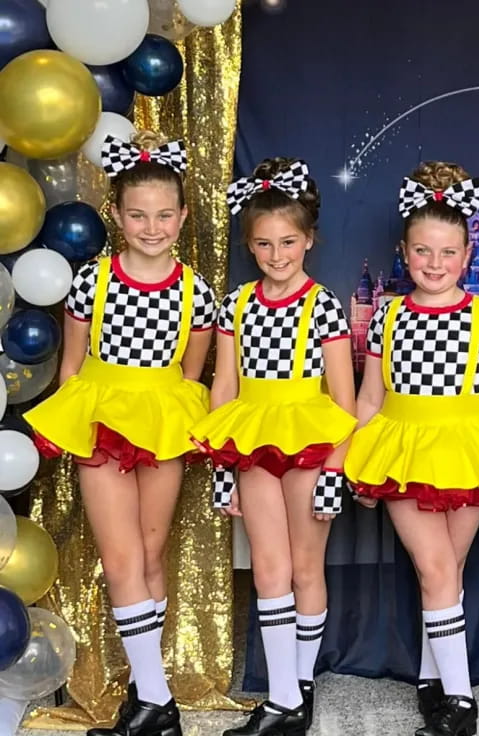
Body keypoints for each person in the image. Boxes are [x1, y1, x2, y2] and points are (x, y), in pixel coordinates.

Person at [26, 132, 216, 736]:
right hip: (103, 420)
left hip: (161, 422)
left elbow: (191, 373)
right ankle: (159, 703)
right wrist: (74, 425)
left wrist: (174, 422)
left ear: (182, 216)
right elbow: (72, 367)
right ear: (115, 213)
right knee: (121, 558)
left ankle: (145, 695)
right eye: (138, 214)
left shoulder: (196, 292)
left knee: (151, 558)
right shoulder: (93, 281)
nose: (151, 227)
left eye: (163, 215)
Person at [345, 162, 479, 736]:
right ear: (404, 251)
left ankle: (432, 680)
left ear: (468, 254)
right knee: (436, 567)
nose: (435, 263)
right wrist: (354, 461)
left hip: (468, 449)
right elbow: (369, 398)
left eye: (448, 252)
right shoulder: (388, 316)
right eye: (423, 250)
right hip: (403, 449)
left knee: (448, 571)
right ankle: (462, 702)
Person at [190, 158, 356, 736]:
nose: (276, 254)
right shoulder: (236, 303)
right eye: (263, 244)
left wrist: (335, 471)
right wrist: (223, 469)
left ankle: (298, 689)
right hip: (254, 441)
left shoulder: (323, 305)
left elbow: (345, 399)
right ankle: (283, 697)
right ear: (249, 245)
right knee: (269, 567)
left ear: (308, 239)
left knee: (306, 567)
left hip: (309, 442)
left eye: (287, 242)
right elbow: (224, 387)